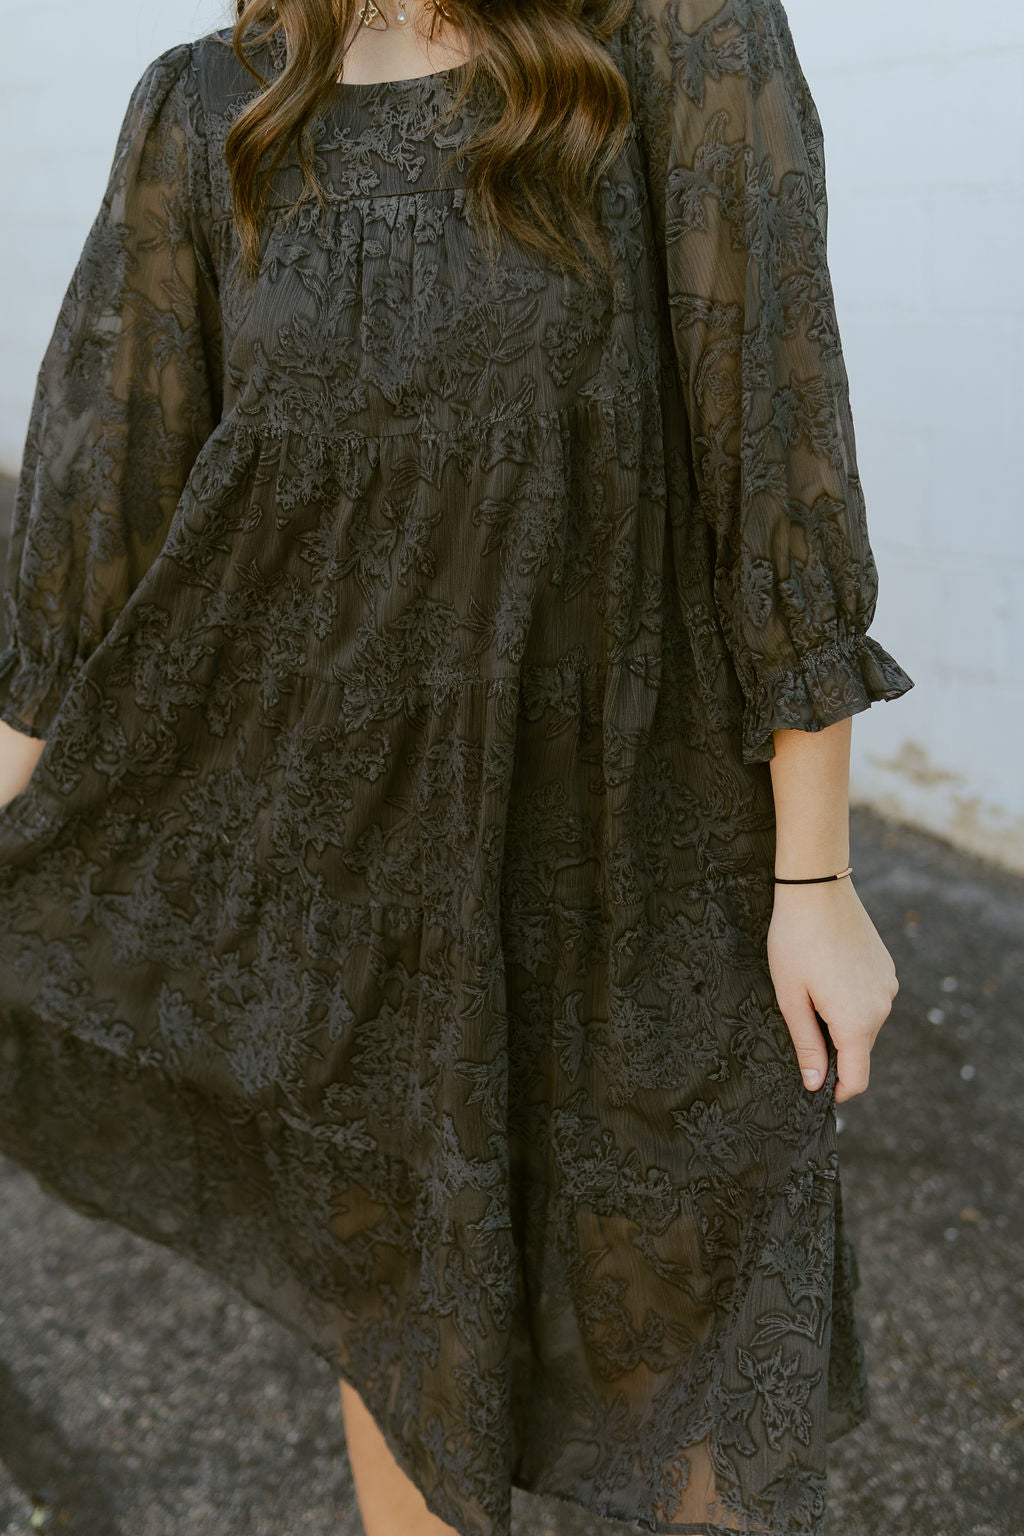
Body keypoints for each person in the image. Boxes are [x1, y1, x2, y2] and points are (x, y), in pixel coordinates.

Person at [0, 0, 915, 1532]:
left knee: (674, 1340)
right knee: (401, 1304)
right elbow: (103, 520)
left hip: (639, 838)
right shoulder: (206, 109)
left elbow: (777, 447)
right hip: (342, 856)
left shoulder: (679, 39)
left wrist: (813, 876)